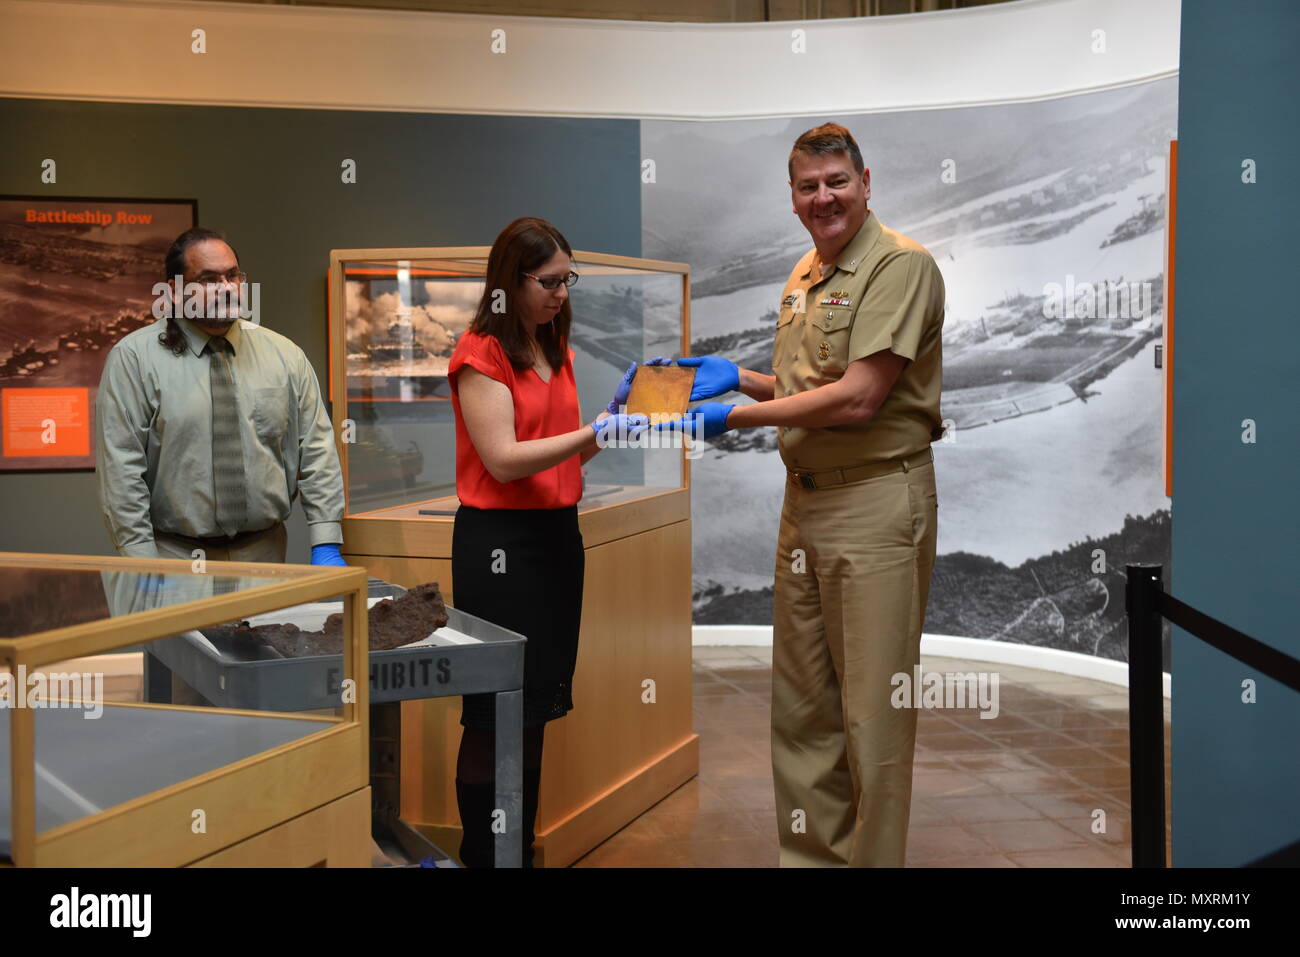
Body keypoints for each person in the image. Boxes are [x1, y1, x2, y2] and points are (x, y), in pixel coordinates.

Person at [661, 123, 945, 866]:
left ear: (866, 182)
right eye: (808, 187)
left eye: (836, 182)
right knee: (803, 711)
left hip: (878, 503)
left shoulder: (901, 266)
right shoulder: (804, 273)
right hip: (806, 505)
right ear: (792, 197)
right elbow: (806, 387)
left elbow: (857, 400)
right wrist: (734, 375)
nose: (824, 198)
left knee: (873, 722)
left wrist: (735, 415)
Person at [448, 216, 647, 867]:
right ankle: (485, 855)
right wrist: (595, 430)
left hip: (558, 542)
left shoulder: (549, 347)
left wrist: (608, 431)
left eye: (569, 281)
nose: (562, 293)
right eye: (550, 282)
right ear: (511, 281)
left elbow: (556, 464)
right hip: (500, 550)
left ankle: (518, 851)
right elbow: (505, 459)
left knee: (533, 711)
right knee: (491, 716)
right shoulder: (480, 352)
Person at [95, 227, 346, 567]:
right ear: (175, 289)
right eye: (208, 279)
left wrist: (326, 540)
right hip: (174, 557)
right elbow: (121, 470)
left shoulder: (284, 356)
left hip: (264, 555)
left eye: (232, 276)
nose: (226, 289)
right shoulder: (134, 359)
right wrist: (140, 561)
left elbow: (316, 451)